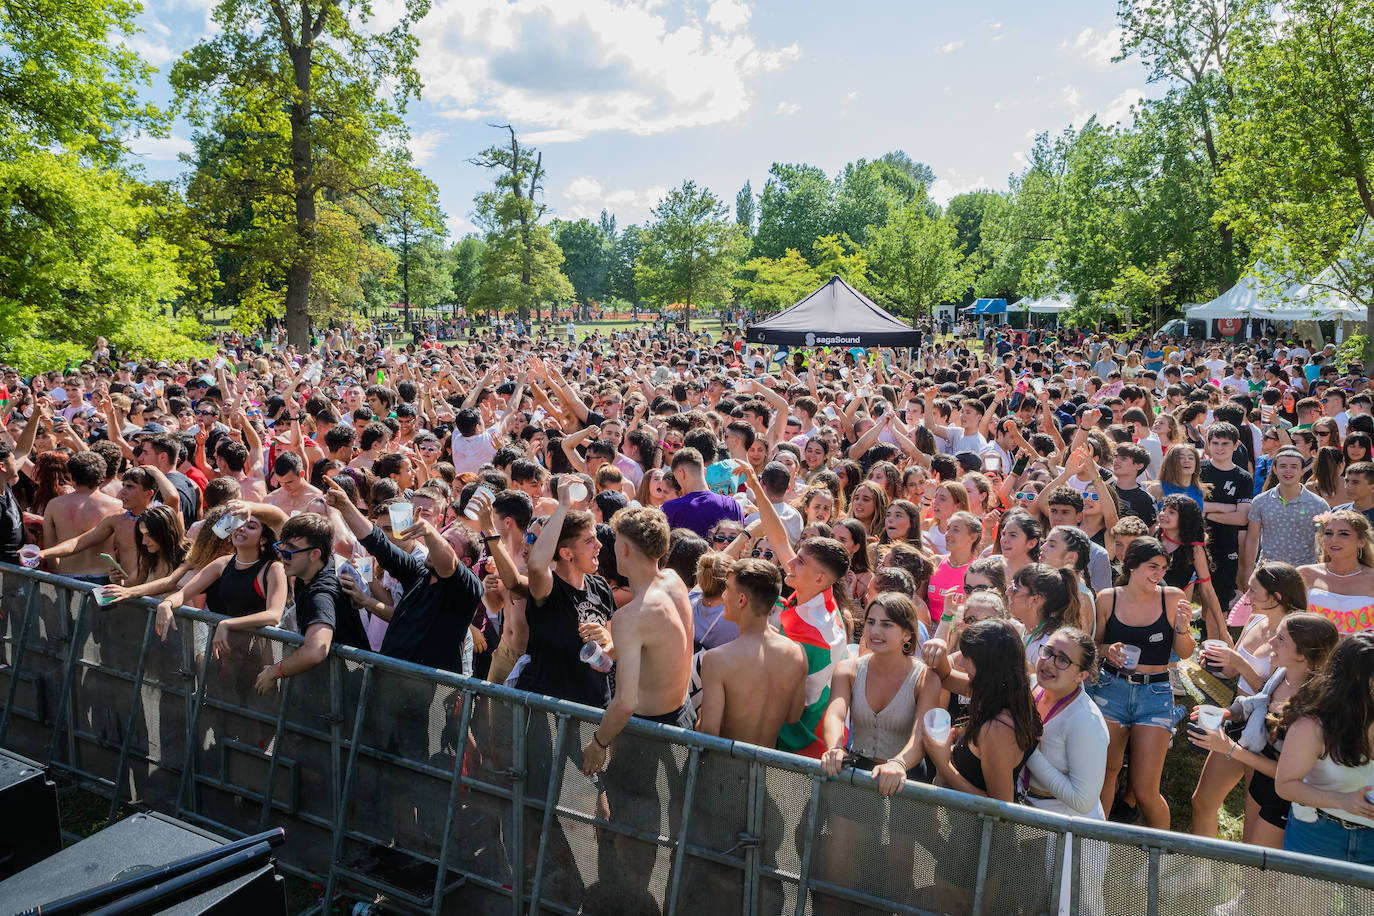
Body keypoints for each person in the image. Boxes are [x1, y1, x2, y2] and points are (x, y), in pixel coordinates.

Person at [1190, 613, 1337, 862]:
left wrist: (1230, 749)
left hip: (1286, 796)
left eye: (1281, 639)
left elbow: (1289, 774)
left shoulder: (1313, 708)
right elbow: (1259, 702)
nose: (1271, 643)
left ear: (1302, 655)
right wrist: (1230, 713)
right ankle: (1248, 898)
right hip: (1261, 777)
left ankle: (1256, 898)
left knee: (1263, 863)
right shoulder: (1282, 675)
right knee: (1251, 849)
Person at [923, 618, 1041, 913]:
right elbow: (948, 677)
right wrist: (939, 645)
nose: (960, 661)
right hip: (969, 842)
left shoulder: (998, 729)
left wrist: (943, 762)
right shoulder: (1009, 694)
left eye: (967, 656)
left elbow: (1001, 810)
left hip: (977, 853)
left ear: (988, 665)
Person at [741, 462, 849, 759]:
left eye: (799, 562)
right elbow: (778, 538)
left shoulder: (810, 631)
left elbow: (784, 697)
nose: (790, 561)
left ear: (819, 578)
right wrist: (755, 483)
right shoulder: (821, 592)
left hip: (802, 743)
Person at [323, 475, 480, 673]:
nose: (435, 545)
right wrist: (345, 506)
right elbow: (377, 541)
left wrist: (430, 533)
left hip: (432, 691)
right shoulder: (418, 573)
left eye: (448, 544)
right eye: (441, 538)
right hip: (393, 681)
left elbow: (449, 566)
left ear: (465, 562)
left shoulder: (468, 588)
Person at [1092, 537, 1195, 830]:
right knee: (1107, 772)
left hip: (1155, 692)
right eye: (1153, 567)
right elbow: (1094, 645)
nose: (1159, 574)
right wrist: (1107, 650)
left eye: (1163, 568)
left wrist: (1183, 628)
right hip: (1112, 688)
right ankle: (1092, 843)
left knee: (1145, 788)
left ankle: (1164, 853)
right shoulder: (1108, 598)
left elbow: (1185, 653)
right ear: (1132, 565)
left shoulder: (1172, 597)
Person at [1024, 626, 1109, 916]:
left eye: (1063, 660)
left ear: (1081, 675)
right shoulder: (1033, 686)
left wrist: (1029, 753)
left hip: (1072, 836)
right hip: (1032, 819)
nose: (1049, 662)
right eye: (1048, 651)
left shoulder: (1085, 721)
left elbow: (1084, 800)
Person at [1276, 631, 1374, 866]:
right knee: (1303, 905)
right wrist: (1343, 801)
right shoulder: (1312, 726)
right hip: (1317, 833)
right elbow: (1285, 785)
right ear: (1357, 680)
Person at [253, 512, 371, 694]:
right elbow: (277, 520)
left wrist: (273, 672)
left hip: (343, 692)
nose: (282, 557)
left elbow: (315, 651)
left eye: (288, 552)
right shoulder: (311, 568)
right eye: (280, 548)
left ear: (315, 554)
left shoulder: (321, 595)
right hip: (330, 685)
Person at [696, 557, 807, 746]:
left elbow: (708, 733)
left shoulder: (717, 660)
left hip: (723, 769)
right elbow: (793, 717)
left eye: (728, 589)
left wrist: (698, 715)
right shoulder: (797, 652)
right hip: (767, 769)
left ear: (741, 599)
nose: (723, 595)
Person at [1241, 447, 1328, 586]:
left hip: (1304, 574)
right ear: (1275, 469)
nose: (1288, 471)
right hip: (1268, 572)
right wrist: (1248, 571)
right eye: (1283, 466)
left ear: (1303, 470)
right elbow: (1252, 539)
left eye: (1294, 466)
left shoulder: (1318, 504)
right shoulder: (1260, 501)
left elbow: (1324, 542)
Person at [39, 451, 122, 581]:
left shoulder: (54, 505)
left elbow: (49, 547)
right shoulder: (116, 506)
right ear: (102, 475)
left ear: (70, 476)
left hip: (67, 576)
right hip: (104, 576)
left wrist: (58, 575)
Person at [1298, 508, 1374, 633]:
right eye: (1328, 533)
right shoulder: (1305, 574)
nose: (1334, 539)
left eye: (1343, 534)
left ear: (1361, 542)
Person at [661, 447, 745, 538]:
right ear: (704, 471)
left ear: (681, 473)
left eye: (676, 478)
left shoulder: (671, 508)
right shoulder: (731, 504)